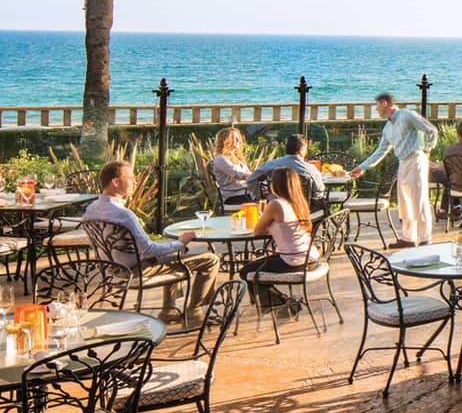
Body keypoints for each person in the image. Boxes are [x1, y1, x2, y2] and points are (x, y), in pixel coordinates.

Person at [84, 161, 219, 323]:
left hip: (112, 269)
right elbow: (147, 250)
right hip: (137, 271)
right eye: (131, 178)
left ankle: (168, 310)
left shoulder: (90, 210)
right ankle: (194, 311)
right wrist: (181, 242)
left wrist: (175, 248)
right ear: (115, 182)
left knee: (173, 253)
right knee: (211, 259)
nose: (135, 182)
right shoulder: (123, 214)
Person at [351, 93, 440, 248]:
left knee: (419, 199)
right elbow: (380, 151)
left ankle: (425, 238)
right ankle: (408, 238)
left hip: (416, 159)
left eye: (377, 105)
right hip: (403, 162)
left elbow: (431, 130)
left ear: (385, 104)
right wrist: (362, 167)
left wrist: (427, 149)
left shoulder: (407, 115)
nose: (376, 109)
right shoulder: (387, 128)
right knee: (405, 201)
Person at [240, 169, 318, 312]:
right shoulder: (300, 202)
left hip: (293, 261)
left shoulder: (276, 204)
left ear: (275, 185)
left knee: (246, 271)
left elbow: (257, 231)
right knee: (259, 264)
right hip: (310, 258)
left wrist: (269, 226)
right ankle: (281, 303)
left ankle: (283, 304)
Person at [246, 134, 325, 203]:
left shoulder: (271, 165)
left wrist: (259, 198)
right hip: (303, 212)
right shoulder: (311, 169)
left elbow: (250, 179)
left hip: (276, 210)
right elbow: (319, 191)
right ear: (302, 150)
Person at [209, 127, 254, 205]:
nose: (238, 140)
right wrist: (258, 175)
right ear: (224, 140)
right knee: (267, 199)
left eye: (238, 138)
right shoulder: (221, 159)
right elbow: (238, 175)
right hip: (233, 196)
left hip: (245, 192)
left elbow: (248, 173)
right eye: (234, 138)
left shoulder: (237, 158)